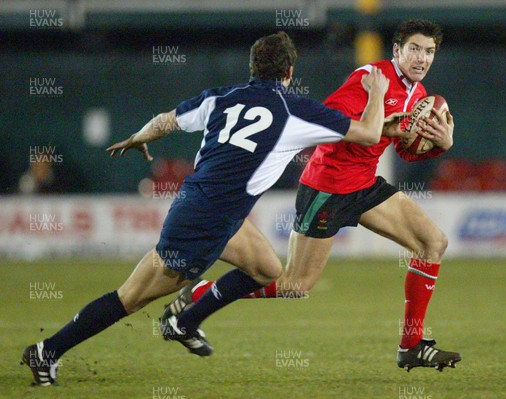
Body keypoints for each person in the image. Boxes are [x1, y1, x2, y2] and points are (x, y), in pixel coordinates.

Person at [22, 31, 393, 386]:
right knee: (131, 298)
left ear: (252, 67)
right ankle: (47, 350)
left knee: (266, 268)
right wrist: (376, 93)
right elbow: (370, 133)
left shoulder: (220, 97)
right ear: (289, 73)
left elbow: (165, 121)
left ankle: (185, 321)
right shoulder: (296, 111)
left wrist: (138, 137)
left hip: (210, 210)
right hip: (202, 222)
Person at [162, 19, 461, 372]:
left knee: (432, 243)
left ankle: (412, 345)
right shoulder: (371, 78)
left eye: (429, 51)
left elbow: (408, 151)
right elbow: (329, 125)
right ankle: (198, 298)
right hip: (328, 186)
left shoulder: (419, 95)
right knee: (295, 284)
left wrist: (440, 145)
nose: (422, 58)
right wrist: (380, 119)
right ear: (397, 51)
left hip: (364, 184)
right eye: (414, 49)